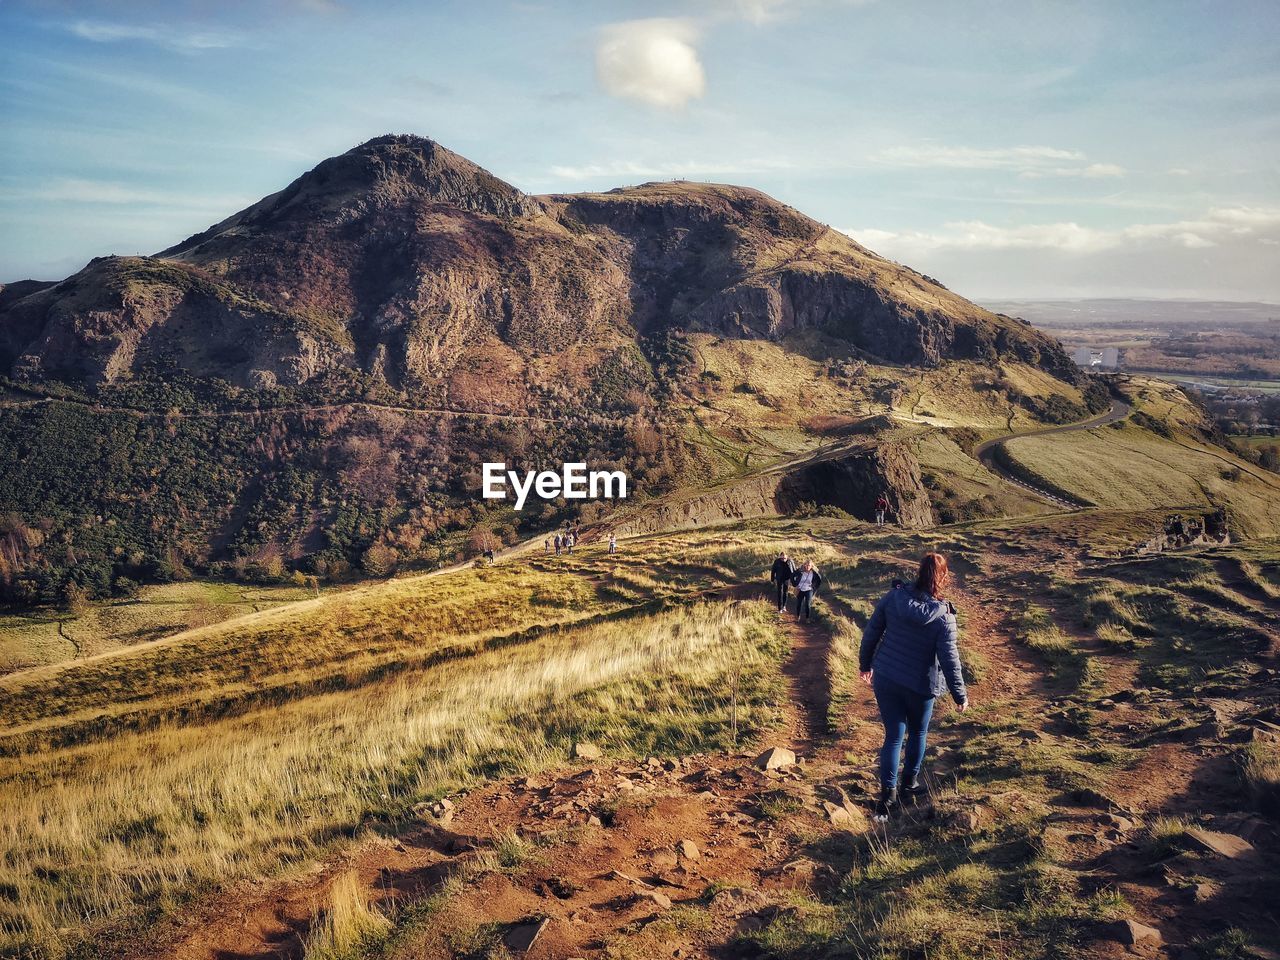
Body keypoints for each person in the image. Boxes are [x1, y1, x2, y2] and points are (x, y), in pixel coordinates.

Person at [858, 552, 968, 821]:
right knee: (918, 732)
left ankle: (888, 796)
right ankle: (909, 783)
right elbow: (949, 658)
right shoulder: (944, 615)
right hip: (920, 684)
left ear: (919, 571)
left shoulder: (894, 597)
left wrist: (865, 664)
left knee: (893, 736)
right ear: (943, 576)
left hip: (886, 676)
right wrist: (959, 693)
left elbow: (872, 631)